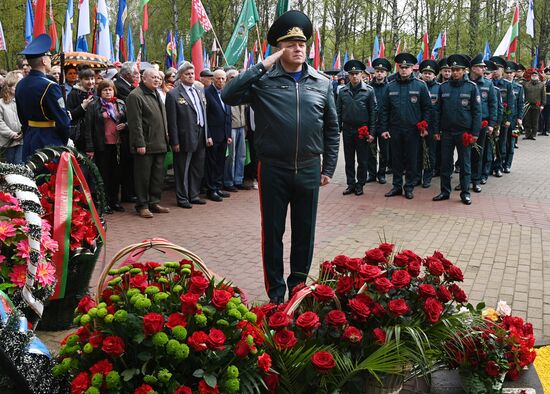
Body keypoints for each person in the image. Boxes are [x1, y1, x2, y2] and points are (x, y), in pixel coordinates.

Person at [222, 10, 339, 303]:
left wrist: (330, 167)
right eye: (290, 44)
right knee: (272, 234)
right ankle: (276, 295)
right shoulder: (264, 81)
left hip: (310, 168)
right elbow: (228, 95)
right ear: (279, 49)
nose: (298, 49)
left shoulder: (322, 83)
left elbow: (332, 128)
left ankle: (297, 291)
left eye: (302, 44)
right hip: (273, 168)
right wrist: (262, 65)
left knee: (304, 234)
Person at [380, 52, 431, 200]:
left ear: (412, 69)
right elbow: (384, 109)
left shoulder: (420, 85)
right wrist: (384, 129)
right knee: (396, 159)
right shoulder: (390, 86)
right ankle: (396, 186)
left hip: (413, 130)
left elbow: (427, 108)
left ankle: (408, 187)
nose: (403, 70)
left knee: (411, 159)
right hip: (395, 129)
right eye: (401, 67)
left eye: (407, 67)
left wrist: (424, 126)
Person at [433, 54, 481, 205]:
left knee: (465, 165)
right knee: (445, 164)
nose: (454, 72)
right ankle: (445, 191)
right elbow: (437, 111)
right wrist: (436, 130)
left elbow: (477, 112)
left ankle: (465, 193)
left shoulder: (472, 87)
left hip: (464, 133)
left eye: (458, 70)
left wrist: (475, 133)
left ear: (464, 70)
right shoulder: (443, 87)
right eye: (452, 69)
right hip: (447, 132)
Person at [15, 34, 71, 159]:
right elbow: (63, 122)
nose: (50, 60)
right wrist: (62, 142)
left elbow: (22, 118)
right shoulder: (50, 86)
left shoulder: (20, 84)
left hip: (29, 139)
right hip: (49, 142)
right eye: (49, 57)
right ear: (44, 61)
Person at [126, 68, 170, 218]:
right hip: (146, 144)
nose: (157, 80)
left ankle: (154, 202)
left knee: (158, 176)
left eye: (158, 77)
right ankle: (142, 205)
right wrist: (139, 143)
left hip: (160, 142)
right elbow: (135, 122)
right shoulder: (135, 96)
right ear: (144, 79)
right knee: (143, 177)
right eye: (153, 77)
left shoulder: (157, 93)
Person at [166, 61, 208, 209]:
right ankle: (182, 197)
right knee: (183, 168)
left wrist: (207, 135)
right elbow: (172, 121)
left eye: (192, 73)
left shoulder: (198, 90)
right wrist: (175, 141)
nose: (191, 76)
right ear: (180, 76)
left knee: (197, 167)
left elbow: (203, 113)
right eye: (187, 74)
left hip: (201, 133)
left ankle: (194, 195)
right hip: (185, 136)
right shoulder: (173, 94)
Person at [84, 79, 127, 214]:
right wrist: (90, 148)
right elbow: (88, 128)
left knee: (117, 174)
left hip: (118, 144)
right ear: (100, 92)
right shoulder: (94, 106)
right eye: (105, 90)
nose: (108, 92)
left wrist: (125, 125)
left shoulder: (119, 104)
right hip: (102, 145)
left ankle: (114, 200)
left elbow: (129, 120)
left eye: (110, 89)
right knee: (104, 175)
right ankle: (104, 202)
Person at [337, 59, 376, 196]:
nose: (354, 76)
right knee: (348, 159)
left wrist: (371, 132)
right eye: (352, 73)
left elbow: (373, 113)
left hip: (362, 130)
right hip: (347, 129)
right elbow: (338, 112)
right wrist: (337, 129)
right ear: (348, 75)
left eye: (357, 73)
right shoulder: (343, 91)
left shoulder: (369, 91)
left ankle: (360, 184)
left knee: (362, 159)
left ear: (362, 74)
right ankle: (350, 184)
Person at [468, 55, 498, 193]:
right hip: (466, 124)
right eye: (480, 66)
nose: (483, 68)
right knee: (465, 155)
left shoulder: (488, 84)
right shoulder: (465, 82)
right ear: (473, 68)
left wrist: (491, 124)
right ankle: (465, 180)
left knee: (478, 153)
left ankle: (476, 180)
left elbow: (493, 105)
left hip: (482, 124)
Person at [204, 69, 232, 202]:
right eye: (218, 78)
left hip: (224, 135)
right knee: (212, 163)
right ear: (213, 79)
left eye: (223, 79)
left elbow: (228, 114)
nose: (220, 81)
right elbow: (206, 117)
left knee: (221, 162)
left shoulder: (226, 93)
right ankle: (211, 190)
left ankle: (218, 187)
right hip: (213, 135)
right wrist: (208, 135)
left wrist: (229, 134)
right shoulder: (207, 93)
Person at [115, 61, 140, 203]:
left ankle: (129, 191)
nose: (137, 76)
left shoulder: (128, 86)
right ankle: (127, 193)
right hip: (123, 130)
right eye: (135, 73)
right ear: (127, 74)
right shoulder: (121, 87)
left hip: (128, 129)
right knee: (126, 164)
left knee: (130, 164)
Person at [224, 69, 250, 191]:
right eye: (232, 77)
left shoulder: (241, 92)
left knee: (241, 155)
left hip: (242, 127)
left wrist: (246, 127)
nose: (235, 79)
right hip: (232, 128)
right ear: (228, 79)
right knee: (231, 156)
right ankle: (229, 182)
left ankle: (238, 179)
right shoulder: (225, 92)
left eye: (237, 77)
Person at [489, 56, 515, 177]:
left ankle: (498, 166)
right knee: (489, 144)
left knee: (501, 144)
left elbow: (511, 103)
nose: (495, 71)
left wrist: (509, 119)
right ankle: (488, 166)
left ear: (502, 70)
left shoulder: (507, 85)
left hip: (503, 120)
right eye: (493, 69)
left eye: (498, 68)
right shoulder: (488, 83)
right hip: (490, 119)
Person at [416, 59, 440, 188]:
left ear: (434, 75)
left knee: (430, 153)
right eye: (425, 73)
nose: (427, 75)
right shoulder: (417, 86)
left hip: (432, 126)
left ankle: (428, 177)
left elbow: (440, 109)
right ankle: (417, 176)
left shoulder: (439, 88)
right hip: (417, 125)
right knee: (417, 152)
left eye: (430, 73)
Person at [369, 58, 392, 184]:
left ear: (386, 73)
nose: (379, 73)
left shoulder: (390, 87)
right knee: (371, 151)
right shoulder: (368, 87)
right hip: (372, 125)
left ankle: (381, 173)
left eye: (382, 71)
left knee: (384, 152)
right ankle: (371, 173)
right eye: (377, 71)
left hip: (385, 125)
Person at [67, 66, 96, 151]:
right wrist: (82, 107)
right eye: (87, 79)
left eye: (92, 78)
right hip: (80, 134)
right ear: (80, 80)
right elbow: (70, 115)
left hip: (95, 132)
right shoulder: (73, 94)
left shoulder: (95, 91)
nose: (91, 82)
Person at [503, 62, 524, 171]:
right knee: (501, 143)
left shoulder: (519, 87)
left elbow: (521, 104)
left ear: (515, 73)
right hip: (503, 119)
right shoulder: (500, 85)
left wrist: (520, 118)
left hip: (514, 120)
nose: (509, 74)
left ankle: (507, 165)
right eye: (507, 72)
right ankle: (500, 163)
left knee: (511, 143)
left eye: (511, 72)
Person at [0, 71, 24, 164]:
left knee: (20, 164)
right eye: (16, 86)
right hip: (7, 142)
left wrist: (23, 132)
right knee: (10, 166)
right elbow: (0, 122)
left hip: (22, 140)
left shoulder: (22, 101)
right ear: (8, 87)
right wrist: (11, 134)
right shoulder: (1, 103)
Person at [522, 68, 545, 140]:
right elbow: (524, 95)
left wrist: (542, 105)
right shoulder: (526, 84)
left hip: (537, 104)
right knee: (527, 120)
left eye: (535, 75)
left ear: (538, 76)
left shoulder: (541, 85)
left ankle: (533, 134)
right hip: (527, 104)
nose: (534, 76)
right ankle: (527, 134)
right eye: (533, 75)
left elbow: (543, 95)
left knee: (535, 120)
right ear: (531, 76)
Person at [541, 67, 550, 136]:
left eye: (549, 74)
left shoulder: (547, 82)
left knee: (547, 116)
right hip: (542, 100)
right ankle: (542, 129)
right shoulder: (542, 81)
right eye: (546, 74)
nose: (547, 75)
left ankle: (547, 129)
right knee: (542, 115)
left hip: (549, 100)